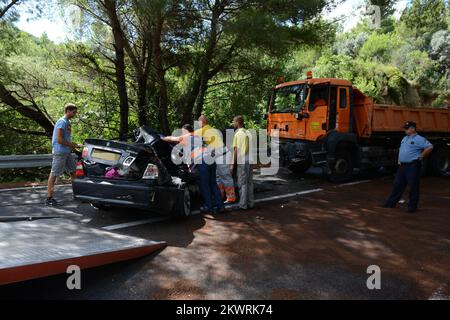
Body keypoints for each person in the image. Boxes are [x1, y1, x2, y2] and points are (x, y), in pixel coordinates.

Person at [163, 124, 224, 214]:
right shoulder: (197, 137)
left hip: (203, 161)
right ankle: (220, 206)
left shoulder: (186, 137)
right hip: (211, 160)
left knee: (204, 185)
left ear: (186, 131)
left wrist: (162, 138)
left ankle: (208, 206)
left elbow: (171, 138)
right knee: (213, 183)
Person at [381, 121, 434, 213]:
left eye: (407, 128)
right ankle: (390, 203)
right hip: (402, 166)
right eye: (405, 128)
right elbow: (402, 149)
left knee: (413, 186)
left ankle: (412, 207)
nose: (405, 130)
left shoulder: (419, 139)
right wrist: (399, 160)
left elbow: (430, 147)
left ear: (413, 129)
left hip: (412, 165)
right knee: (397, 184)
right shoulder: (405, 138)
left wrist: (421, 156)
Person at [46, 103, 83, 206]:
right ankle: (49, 198)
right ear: (68, 111)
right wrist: (72, 145)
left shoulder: (67, 122)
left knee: (73, 171)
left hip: (66, 152)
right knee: (54, 174)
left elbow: (65, 138)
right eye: (73, 112)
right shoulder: (62, 122)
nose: (75, 114)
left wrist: (74, 145)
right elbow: (59, 139)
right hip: (60, 152)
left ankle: (77, 193)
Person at [195, 115, 236, 203]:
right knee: (217, 178)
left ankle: (231, 197)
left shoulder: (202, 130)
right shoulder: (214, 130)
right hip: (219, 155)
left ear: (202, 122)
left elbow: (190, 137)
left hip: (221, 156)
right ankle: (220, 197)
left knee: (225, 176)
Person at [231, 115, 254, 210]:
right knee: (249, 182)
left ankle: (243, 205)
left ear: (237, 122)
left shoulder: (237, 134)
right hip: (250, 160)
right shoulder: (248, 132)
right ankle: (251, 203)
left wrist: (232, 165)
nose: (233, 123)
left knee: (242, 183)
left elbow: (236, 150)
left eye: (234, 121)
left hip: (242, 161)